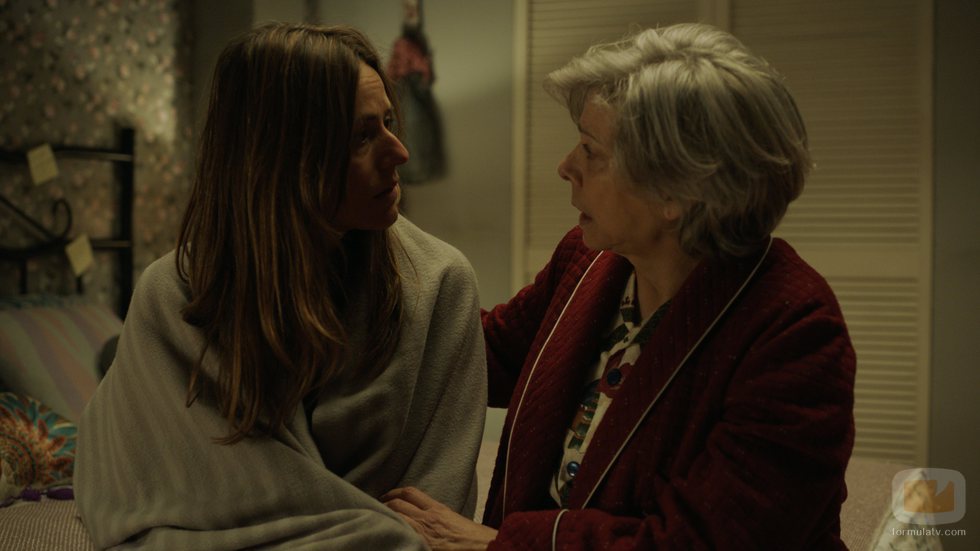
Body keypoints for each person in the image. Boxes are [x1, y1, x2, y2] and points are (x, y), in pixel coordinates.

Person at [384, 22, 856, 549]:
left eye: (591, 150)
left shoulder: (794, 331)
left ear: (676, 189)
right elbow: (480, 353)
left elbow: (697, 542)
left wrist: (499, 545)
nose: (566, 166)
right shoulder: (589, 260)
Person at [75, 23, 487, 550]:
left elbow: (437, 516)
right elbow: (150, 488)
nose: (400, 152)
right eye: (362, 137)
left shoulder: (440, 283)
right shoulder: (180, 295)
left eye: (388, 122)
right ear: (287, 158)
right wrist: (378, 534)